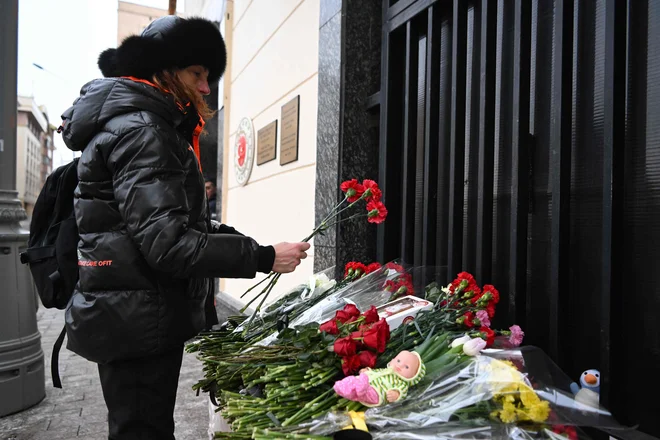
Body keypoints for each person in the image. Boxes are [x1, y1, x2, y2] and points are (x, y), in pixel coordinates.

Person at [58, 16, 310, 440]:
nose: (207, 88)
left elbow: (170, 223)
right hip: (137, 317)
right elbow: (169, 244)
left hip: (133, 311)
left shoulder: (140, 125)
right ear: (165, 70)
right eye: (198, 73)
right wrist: (264, 257)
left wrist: (247, 243)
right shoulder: (143, 130)